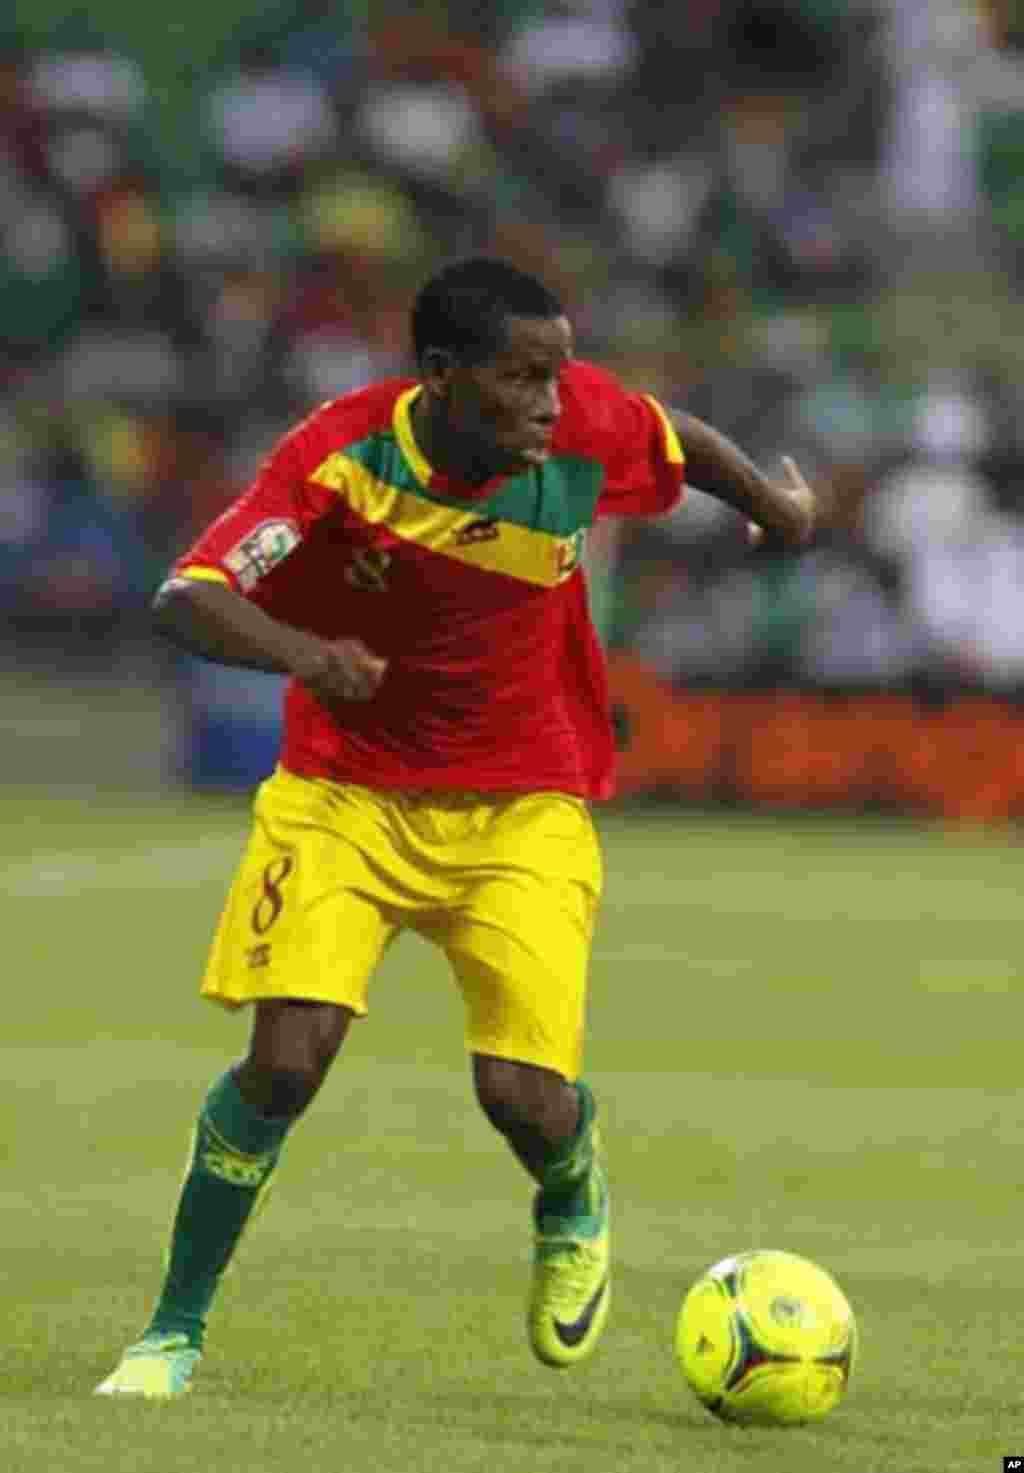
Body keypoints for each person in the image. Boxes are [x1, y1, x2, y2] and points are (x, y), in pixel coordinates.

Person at [95, 257, 814, 1398]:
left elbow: (669, 436)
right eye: (522, 379)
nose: (549, 401)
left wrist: (775, 509)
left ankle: (570, 1182)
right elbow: (188, 594)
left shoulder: (582, 423)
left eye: (557, 374)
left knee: (518, 1097)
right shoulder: (341, 456)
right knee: (284, 1063)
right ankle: (170, 1335)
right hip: (346, 797)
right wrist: (305, 657)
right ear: (438, 378)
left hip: (524, 804)